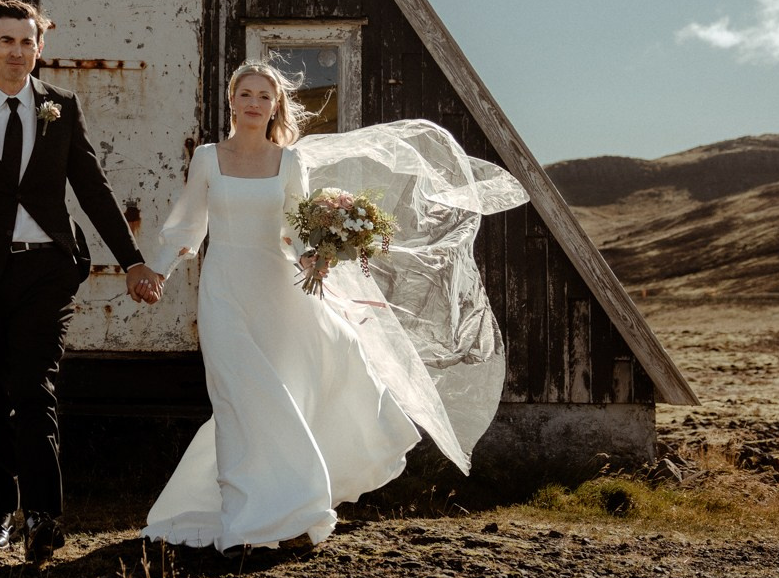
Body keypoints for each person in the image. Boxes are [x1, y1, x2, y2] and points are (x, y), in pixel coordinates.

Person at [133, 63, 522, 552]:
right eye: (245, 94)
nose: (254, 103)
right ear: (231, 101)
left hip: (281, 294)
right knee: (240, 401)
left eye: (264, 96)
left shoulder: (290, 161)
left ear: (275, 106)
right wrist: (159, 271)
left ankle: (291, 516)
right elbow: (188, 226)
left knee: (283, 397)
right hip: (225, 292)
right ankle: (245, 518)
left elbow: (296, 228)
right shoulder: (208, 159)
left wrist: (315, 255)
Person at [0, 0, 163, 564]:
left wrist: (131, 261)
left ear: (40, 48)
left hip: (46, 270)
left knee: (34, 388)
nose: (16, 51)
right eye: (6, 40)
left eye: (27, 42)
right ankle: (1, 511)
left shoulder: (62, 107)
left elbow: (94, 190)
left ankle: (44, 518)